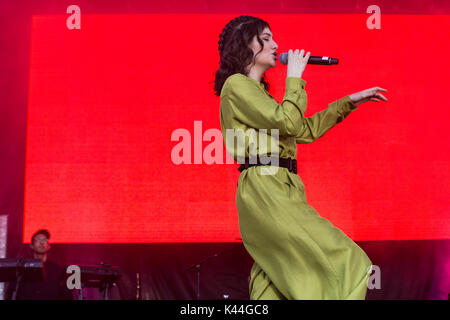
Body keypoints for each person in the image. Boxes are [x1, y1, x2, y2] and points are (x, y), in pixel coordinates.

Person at [215, 15, 388, 300]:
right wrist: (294, 76)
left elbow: (302, 130)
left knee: (271, 288)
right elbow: (290, 122)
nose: (276, 45)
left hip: (281, 185)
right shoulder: (236, 85)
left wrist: (348, 103)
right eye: (267, 38)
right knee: (349, 261)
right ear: (246, 44)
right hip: (266, 185)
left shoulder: (257, 93)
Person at [6, 229, 72, 300]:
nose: (42, 243)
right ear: (31, 245)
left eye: (45, 240)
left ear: (49, 246)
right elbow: (11, 292)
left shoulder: (57, 270)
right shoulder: (22, 269)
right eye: (38, 240)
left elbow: (65, 293)